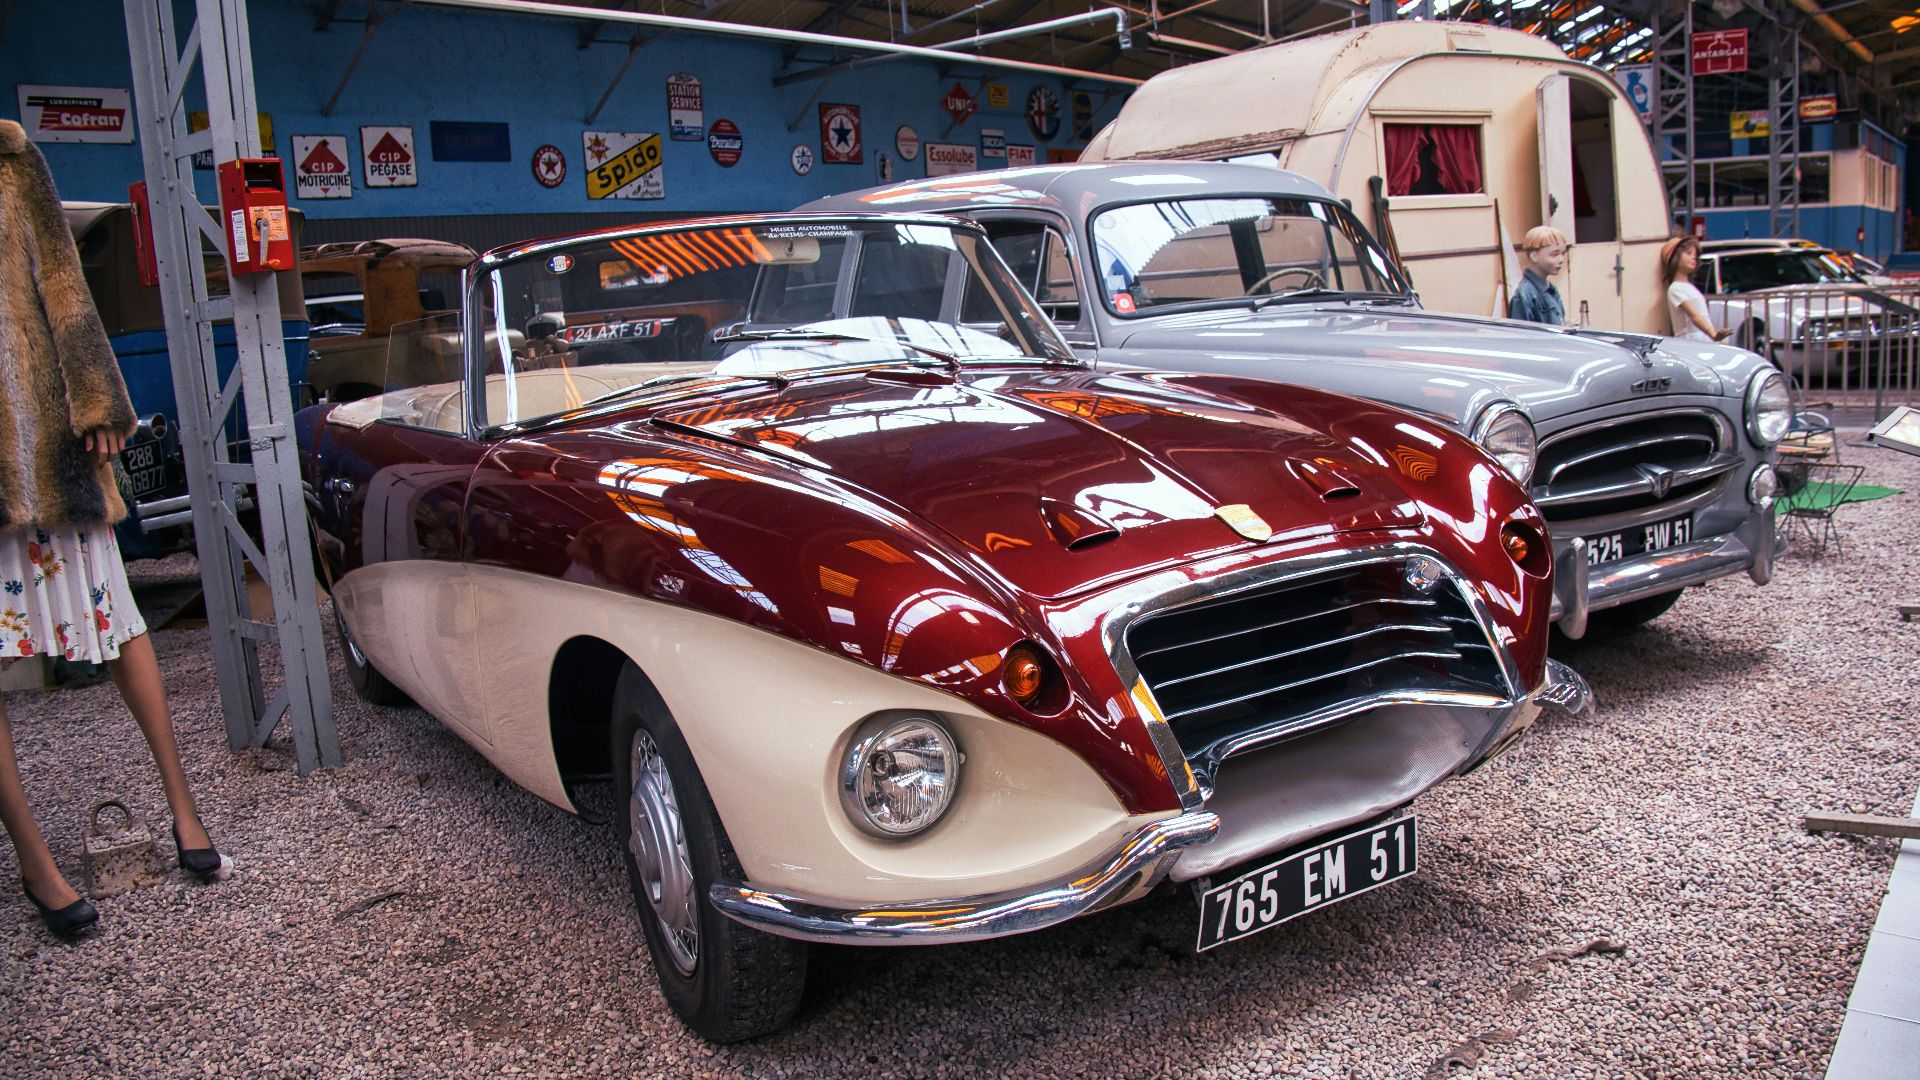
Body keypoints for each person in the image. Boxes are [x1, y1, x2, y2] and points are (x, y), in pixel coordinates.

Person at [0, 119, 232, 942]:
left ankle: (184, 810)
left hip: (42, 443)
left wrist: (98, 399)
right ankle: (36, 863)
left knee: (120, 621)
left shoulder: (9, 156)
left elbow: (63, 283)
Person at [1661, 235, 1734, 343]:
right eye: (1689, 253)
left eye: (1695, 255)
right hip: (1691, 341)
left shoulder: (1688, 287)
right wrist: (1713, 334)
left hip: (1702, 339)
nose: (1693, 258)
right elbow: (1694, 315)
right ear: (1675, 257)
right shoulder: (1675, 288)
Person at [1508, 225, 1569, 325]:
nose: (1561, 259)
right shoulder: (1523, 296)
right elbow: (1519, 333)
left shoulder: (1552, 290)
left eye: (1563, 253)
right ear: (1534, 256)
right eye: (1554, 254)